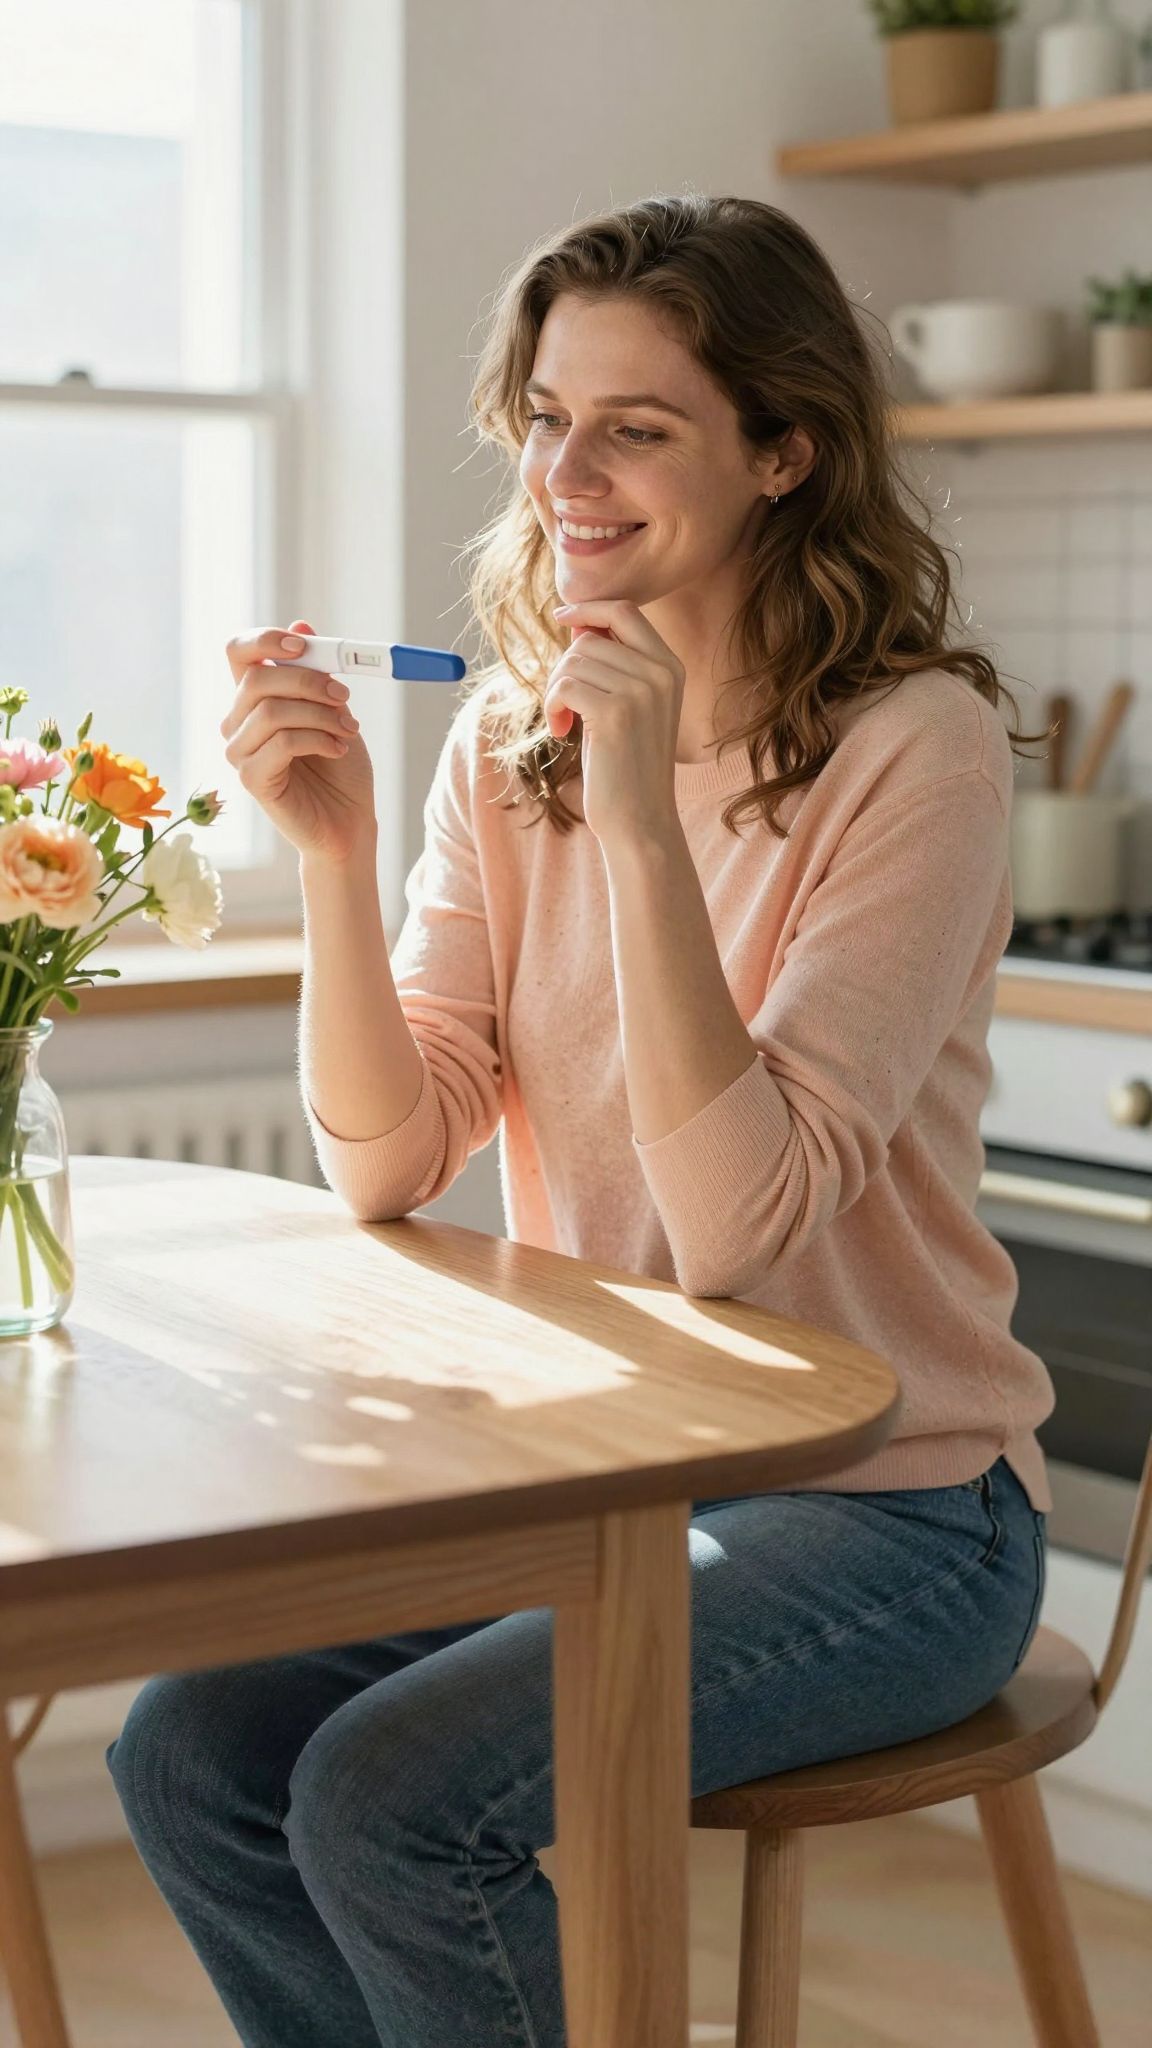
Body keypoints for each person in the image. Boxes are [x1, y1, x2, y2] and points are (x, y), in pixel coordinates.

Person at [107, 192, 1054, 2048]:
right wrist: (336, 860)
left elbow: (740, 1225)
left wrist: (638, 829)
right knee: (189, 1751)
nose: (569, 472)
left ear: (785, 452)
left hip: (896, 1514)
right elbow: (385, 1162)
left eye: (639, 425)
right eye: (547, 416)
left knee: (393, 1804)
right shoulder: (509, 734)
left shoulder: (909, 751)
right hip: (615, 1492)